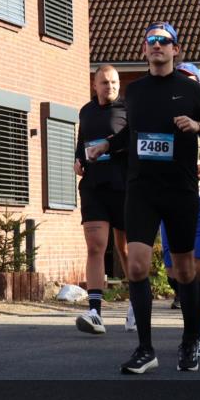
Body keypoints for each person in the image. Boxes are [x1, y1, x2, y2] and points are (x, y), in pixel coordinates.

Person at [87, 22, 200, 374]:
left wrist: (198, 128)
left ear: (176, 50)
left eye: (164, 41)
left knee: (185, 271)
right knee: (135, 265)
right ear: (144, 50)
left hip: (179, 189)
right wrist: (107, 144)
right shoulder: (135, 92)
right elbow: (132, 133)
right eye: (151, 41)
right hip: (141, 189)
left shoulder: (190, 90)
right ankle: (145, 349)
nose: (157, 46)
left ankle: (191, 339)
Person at [158, 62, 200, 342]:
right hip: (173, 195)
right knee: (175, 270)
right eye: (181, 79)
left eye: (191, 80)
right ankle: (192, 312)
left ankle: (195, 327)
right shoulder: (163, 111)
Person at [74, 65, 129, 335]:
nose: (111, 87)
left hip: (122, 187)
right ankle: (95, 311)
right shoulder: (86, 111)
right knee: (96, 246)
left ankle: (136, 303)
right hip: (94, 186)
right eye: (105, 83)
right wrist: (78, 159)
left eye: (114, 82)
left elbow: (133, 142)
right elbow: (82, 140)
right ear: (94, 85)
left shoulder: (127, 111)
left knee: (126, 248)